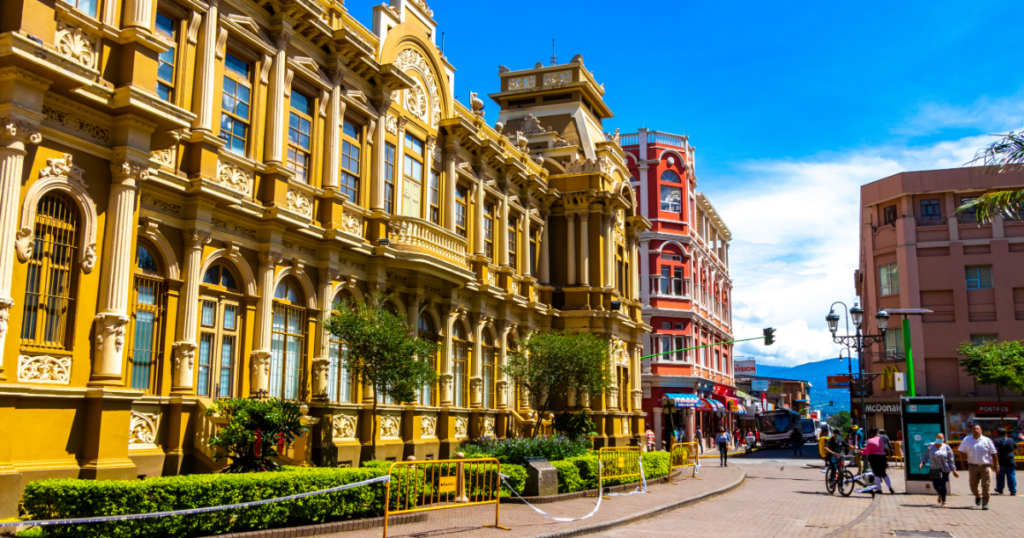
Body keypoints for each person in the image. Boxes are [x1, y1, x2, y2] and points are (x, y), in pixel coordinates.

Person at [958, 423, 999, 510]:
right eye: (974, 429)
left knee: (986, 485)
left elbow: (994, 453)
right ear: (971, 431)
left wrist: (997, 465)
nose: (976, 430)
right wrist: (962, 462)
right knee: (973, 486)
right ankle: (977, 496)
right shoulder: (966, 440)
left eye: (977, 429)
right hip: (973, 467)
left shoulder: (987, 440)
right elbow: (962, 451)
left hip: (986, 466)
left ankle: (985, 503)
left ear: (981, 430)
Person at [920, 433, 958, 506]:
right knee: (935, 485)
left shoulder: (947, 447)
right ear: (935, 438)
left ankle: (944, 501)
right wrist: (922, 463)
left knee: (943, 485)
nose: (939, 439)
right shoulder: (931, 446)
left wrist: (953, 470)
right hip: (934, 468)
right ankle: (940, 493)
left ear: (944, 439)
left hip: (945, 469)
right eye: (938, 438)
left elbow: (951, 459)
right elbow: (926, 455)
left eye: (941, 438)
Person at [861, 428, 894, 494]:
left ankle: (879, 490)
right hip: (883, 457)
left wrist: (861, 452)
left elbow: (868, 451)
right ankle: (890, 488)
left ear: (870, 434)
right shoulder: (880, 439)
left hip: (874, 458)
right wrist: (865, 449)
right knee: (883, 473)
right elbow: (878, 447)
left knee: (877, 473)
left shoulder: (870, 440)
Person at [993, 427, 1017, 496]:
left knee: (1000, 477)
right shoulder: (1011, 440)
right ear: (1005, 434)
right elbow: (1014, 447)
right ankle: (1013, 490)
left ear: (998, 434)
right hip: (1010, 461)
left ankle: (1000, 489)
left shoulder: (996, 441)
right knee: (1011, 476)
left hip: (1000, 462)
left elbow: (994, 451)